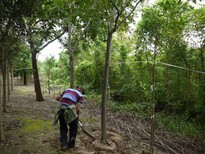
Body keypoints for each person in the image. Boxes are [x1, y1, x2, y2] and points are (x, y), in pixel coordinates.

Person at [53, 86, 85, 150]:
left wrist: (63, 100)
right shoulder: (80, 95)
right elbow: (78, 109)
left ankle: (63, 145)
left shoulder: (67, 90)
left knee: (63, 128)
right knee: (73, 128)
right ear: (81, 91)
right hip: (69, 111)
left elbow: (56, 98)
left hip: (61, 110)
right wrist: (77, 117)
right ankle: (71, 145)